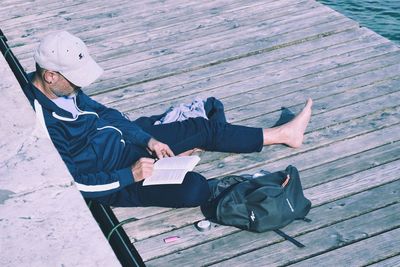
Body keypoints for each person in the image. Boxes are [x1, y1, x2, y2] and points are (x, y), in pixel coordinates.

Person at [24, 31, 313, 208]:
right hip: (116, 178)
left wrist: (147, 139)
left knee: (200, 127)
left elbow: (107, 114)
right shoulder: (41, 124)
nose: (80, 86)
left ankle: (283, 135)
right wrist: (131, 175)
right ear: (50, 75)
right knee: (195, 189)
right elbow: (76, 184)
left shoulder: (63, 90)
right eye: (75, 80)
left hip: (130, 142)